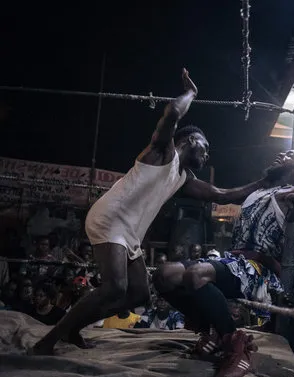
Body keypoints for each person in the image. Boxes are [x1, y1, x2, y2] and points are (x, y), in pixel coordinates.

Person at [32, 68, 267, 355]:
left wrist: (267, 181)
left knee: (139, 294)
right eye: (205, 149)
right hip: (111, 219)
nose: (207, 156)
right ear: (191, 141)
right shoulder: (162, 153)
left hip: (129, 234)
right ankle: (48, 340)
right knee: (115, 287)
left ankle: (72, 328)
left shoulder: (183, 178)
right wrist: (191, 93)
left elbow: (224, 195)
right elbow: (171, 115)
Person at [155, 149, 294, 377]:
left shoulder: (292, 191)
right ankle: (210, 330)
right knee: (163, 274)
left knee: (196, 275)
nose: (281, 154)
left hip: (257, 270)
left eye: (289, 155)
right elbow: (221, 195)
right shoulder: (258, 191)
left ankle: (236, 344)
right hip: (232, 261)